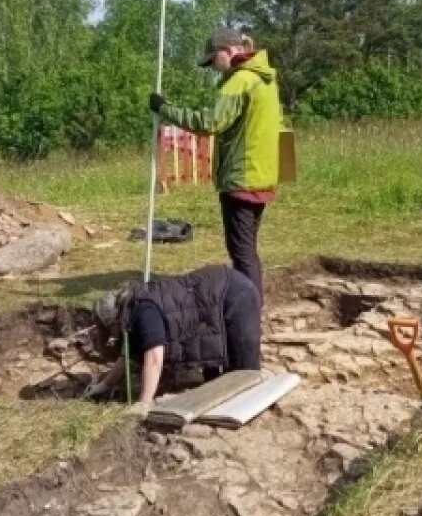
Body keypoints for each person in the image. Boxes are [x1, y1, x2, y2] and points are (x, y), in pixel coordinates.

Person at [150, 28, 281, 297]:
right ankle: (250, 302)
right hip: (261, 175)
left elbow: (210, 123)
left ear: (229, 51)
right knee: (247, 248)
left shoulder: (239, 81)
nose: (212, 67)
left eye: (213, 60)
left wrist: (165, 109)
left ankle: (249, 311)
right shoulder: (265, 79)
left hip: (241, 178)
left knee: (241, 252)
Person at [82, 265, 262, 408]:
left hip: (235, 294)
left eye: (110, 332)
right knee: (215, 385)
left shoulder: (143, 311)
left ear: (113, 321)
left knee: (244, 377)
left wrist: (143, 403)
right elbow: (129, 357)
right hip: (213, 299)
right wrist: (104, 385)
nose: (113, 337)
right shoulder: (131, 311)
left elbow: (154, 358)